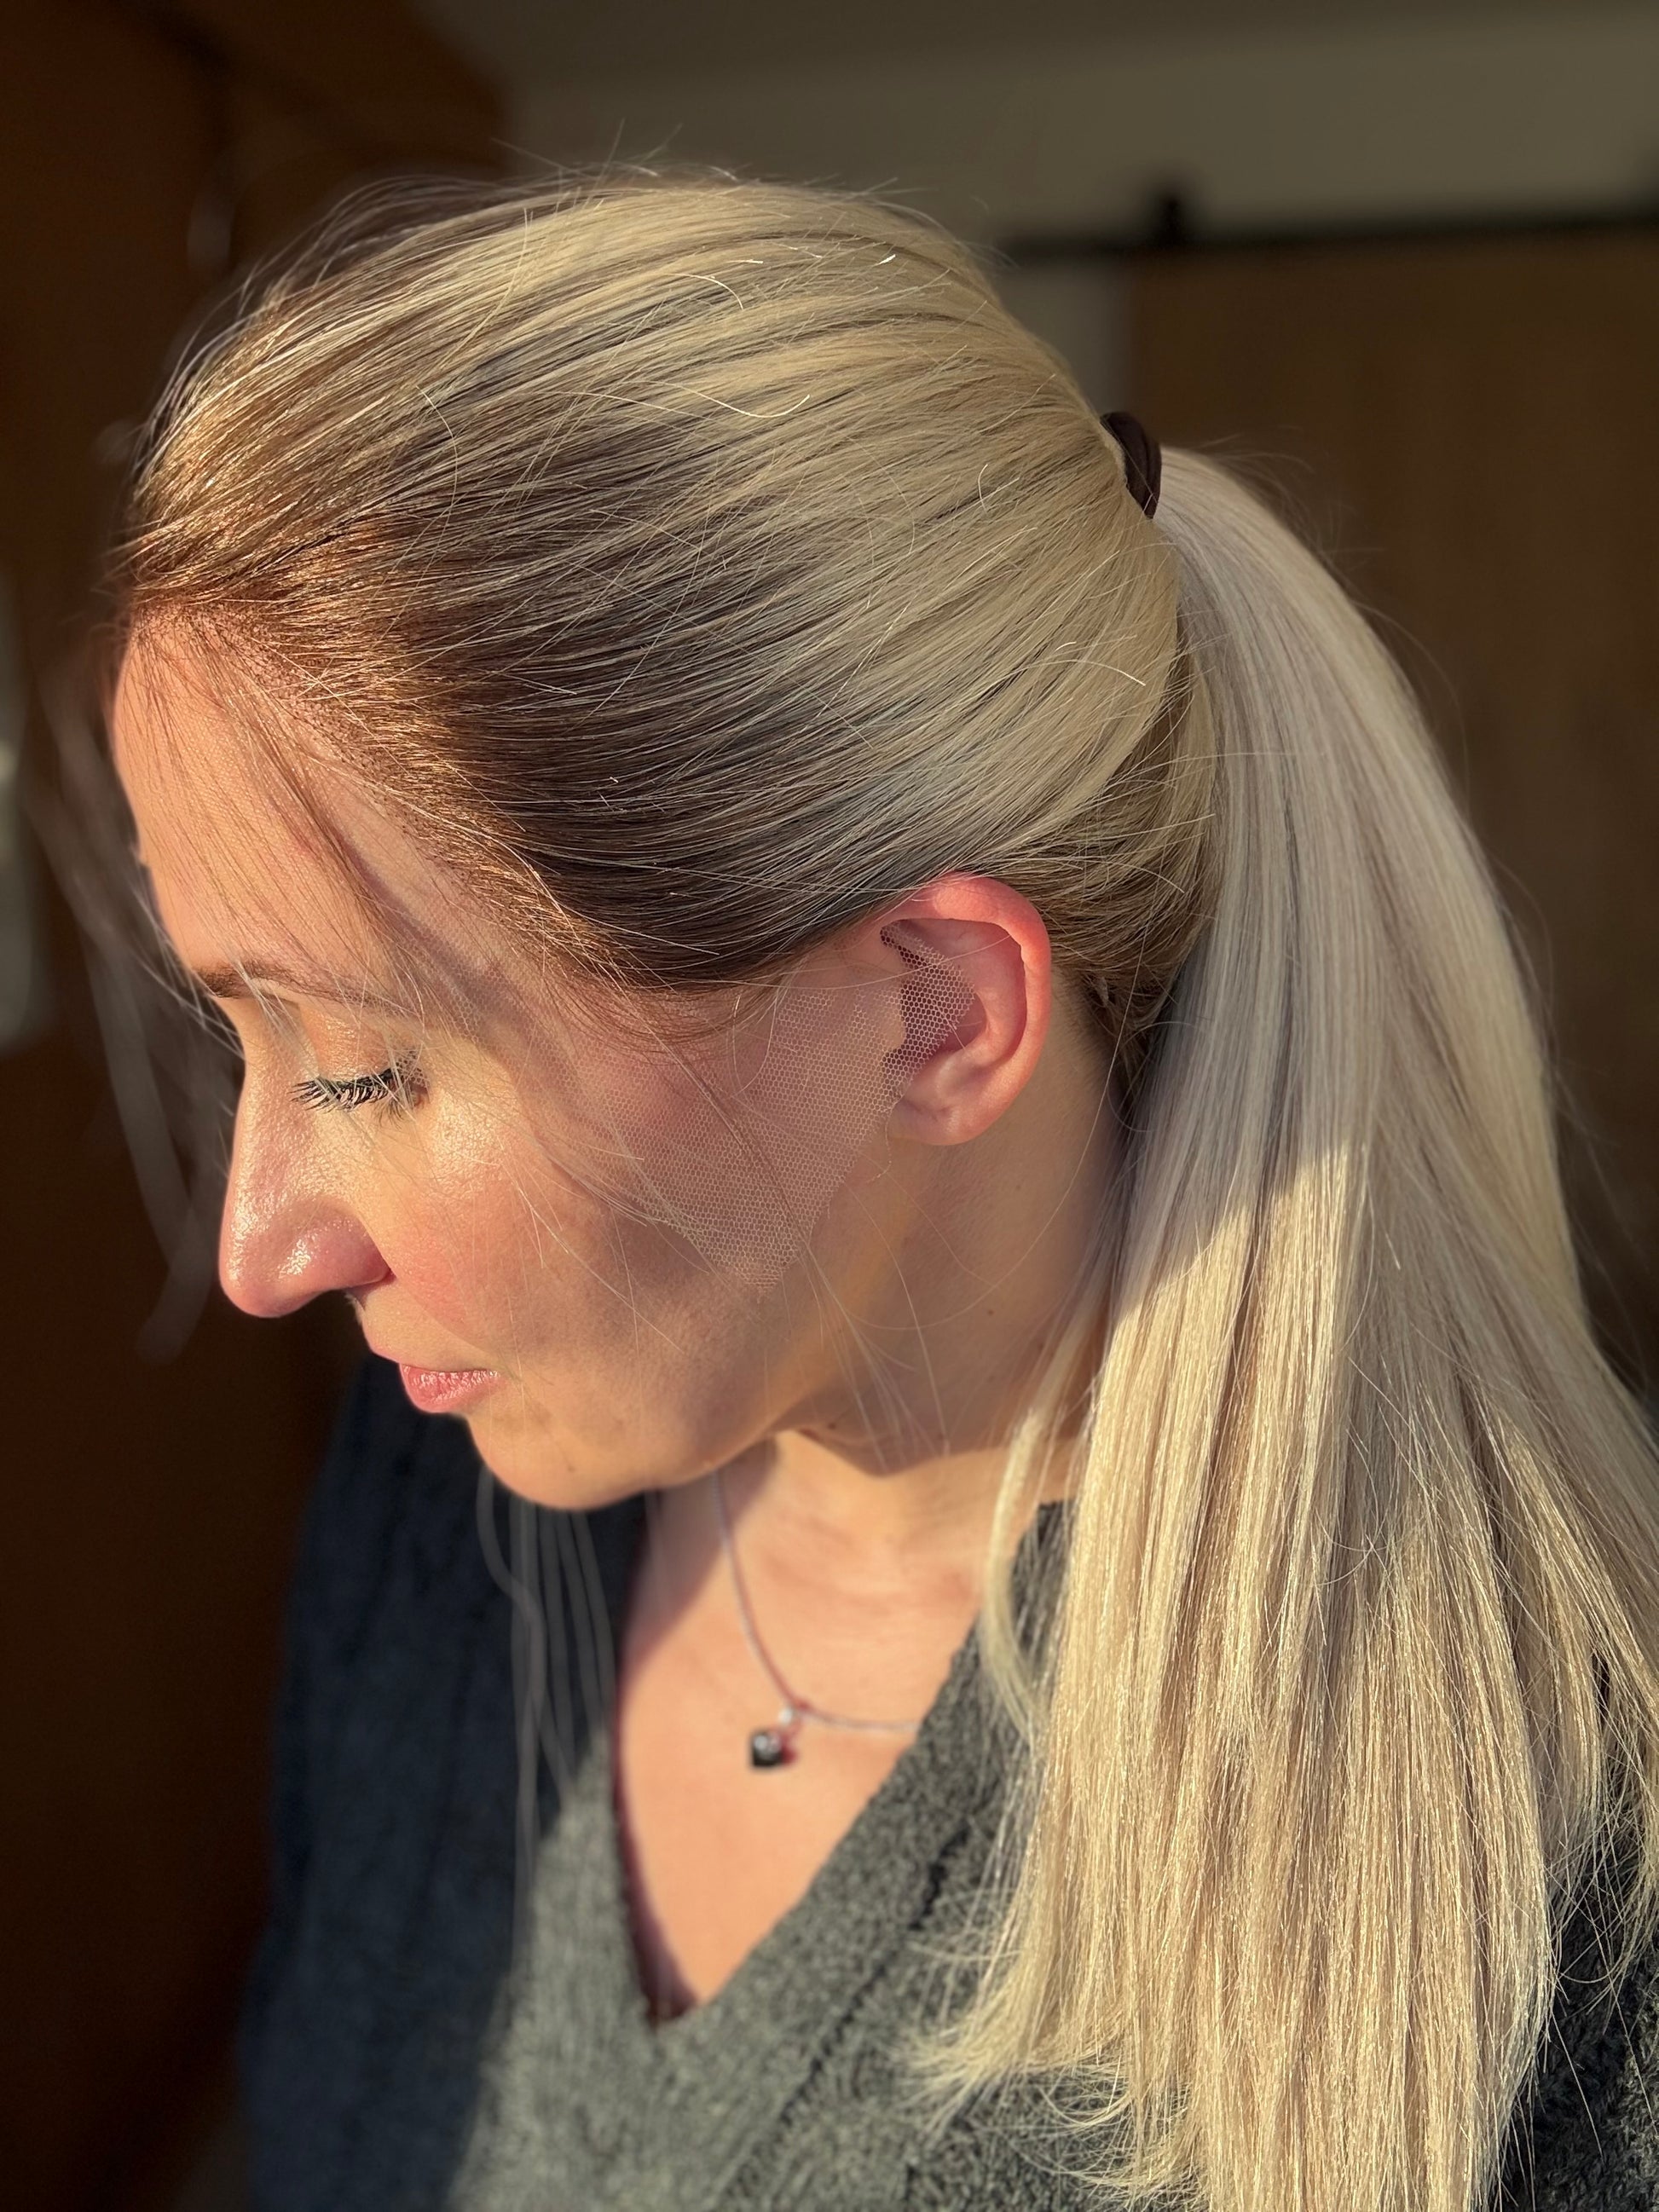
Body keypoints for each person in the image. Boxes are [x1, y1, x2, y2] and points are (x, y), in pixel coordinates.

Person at [104, 172, 1659, 2212]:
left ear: (932, 1012)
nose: (263, 1245)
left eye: (369, 1061)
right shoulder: (444, 1513)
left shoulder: (1556, 1868)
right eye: (239, 1026)